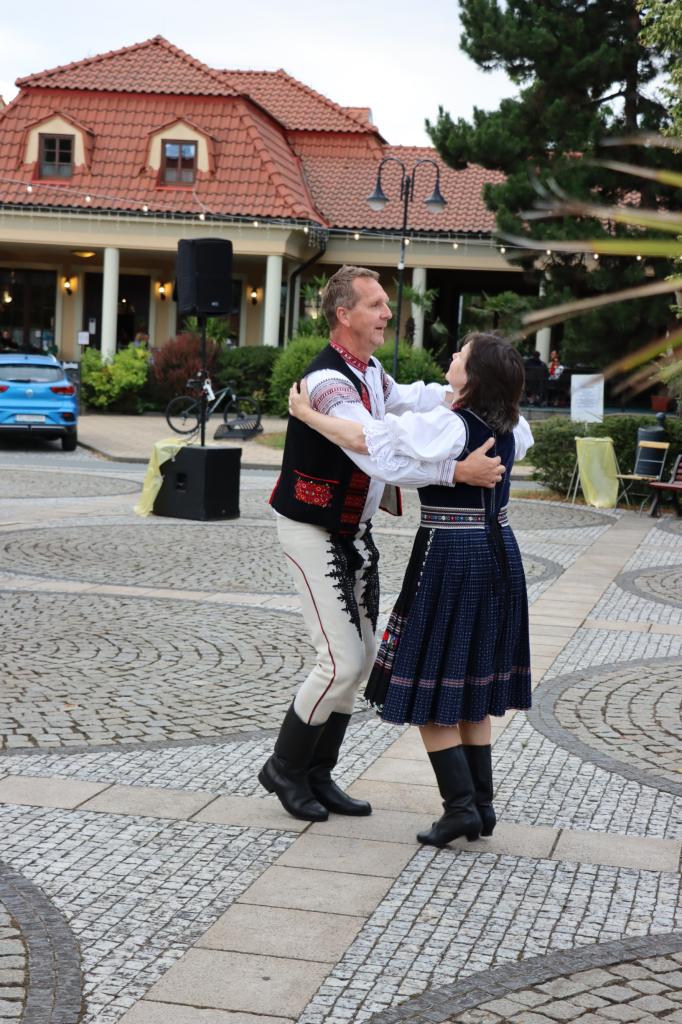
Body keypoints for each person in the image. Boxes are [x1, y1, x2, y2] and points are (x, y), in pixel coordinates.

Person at [260, 266, 508, 824]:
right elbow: (372, 451)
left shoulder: (370, 373)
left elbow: (413, 400)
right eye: (375, 305)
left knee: (363, 661)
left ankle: (318, 773)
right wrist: (454, 471)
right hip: (312, 529)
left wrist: (472, 393)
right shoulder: (327, 383)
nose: (387, 314)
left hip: (353, 533)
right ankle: (284, 767)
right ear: (343, 315)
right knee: (340, 661)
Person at [288, 332, 533, 847]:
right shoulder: (514, 424)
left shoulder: (447, 424)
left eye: (461, 355)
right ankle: (481, 807)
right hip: (499, 551)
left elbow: (372, 444)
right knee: (471, 684)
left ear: (475, 376)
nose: (452, 356)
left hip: (452, 553)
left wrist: (308, 415)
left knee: (428, 679)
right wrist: (453, 470)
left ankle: (460, 808)